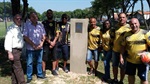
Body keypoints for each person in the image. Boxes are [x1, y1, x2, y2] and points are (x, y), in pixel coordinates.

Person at [120, 18, 149, 84]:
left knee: (143, 78)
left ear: (139, 24)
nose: (134, 25)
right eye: (132, 24)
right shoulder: (126, 34)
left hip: (142, 61)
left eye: (135, 23)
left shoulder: (145, 33)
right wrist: (121, 56)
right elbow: (123, 46)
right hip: (130, 60)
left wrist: (147, 53)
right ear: (130, 25)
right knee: (130, 76)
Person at [23, 12, 46, 83]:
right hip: (30, 48)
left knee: (39, 62)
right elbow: (25, 37)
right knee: (29, 63)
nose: (34, 18)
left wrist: (42, 43)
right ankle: (29, 77)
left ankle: (39, 74)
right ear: (30, 18)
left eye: (35, 16)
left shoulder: (40, 25)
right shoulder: (27, 25)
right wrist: (33, 45)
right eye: (32, 17)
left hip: (39, 47)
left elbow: (44, 35)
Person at [4, 14, 26, 84]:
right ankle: (22, 82)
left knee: (15, 68)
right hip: (14, 50)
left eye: (20, 19)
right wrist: (9, 53)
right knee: (18, 68)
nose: (19, 20)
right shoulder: (11, 28)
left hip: (19, 50)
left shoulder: (20, 27)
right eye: (17, 19)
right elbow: (8, 41)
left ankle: (14, 82)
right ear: (14, 19)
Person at [111, 13, 131, 84]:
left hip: (124, 52)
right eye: (120, 17)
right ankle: (115, 79)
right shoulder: (116, 26)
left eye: (123, 17)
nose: (121, 19)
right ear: (118, 18)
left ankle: (121, 81)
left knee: (122, 67)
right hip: (115, 50)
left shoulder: (129, 27)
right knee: (114, 66)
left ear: (126, 18)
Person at [42, 9, 60, 76]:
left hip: (54, 43)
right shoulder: (43, 23)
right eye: (48, 13)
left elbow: (57, 33)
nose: (49, 14)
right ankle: (43, 71)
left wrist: (54, 42)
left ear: (52, 14)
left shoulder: (56, 23)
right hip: (46, 43)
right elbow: (43, 34)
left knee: (54, 57)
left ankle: (53, 70)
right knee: (44, 58)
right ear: (46, 15)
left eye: (51, 13)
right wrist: (50, 42)